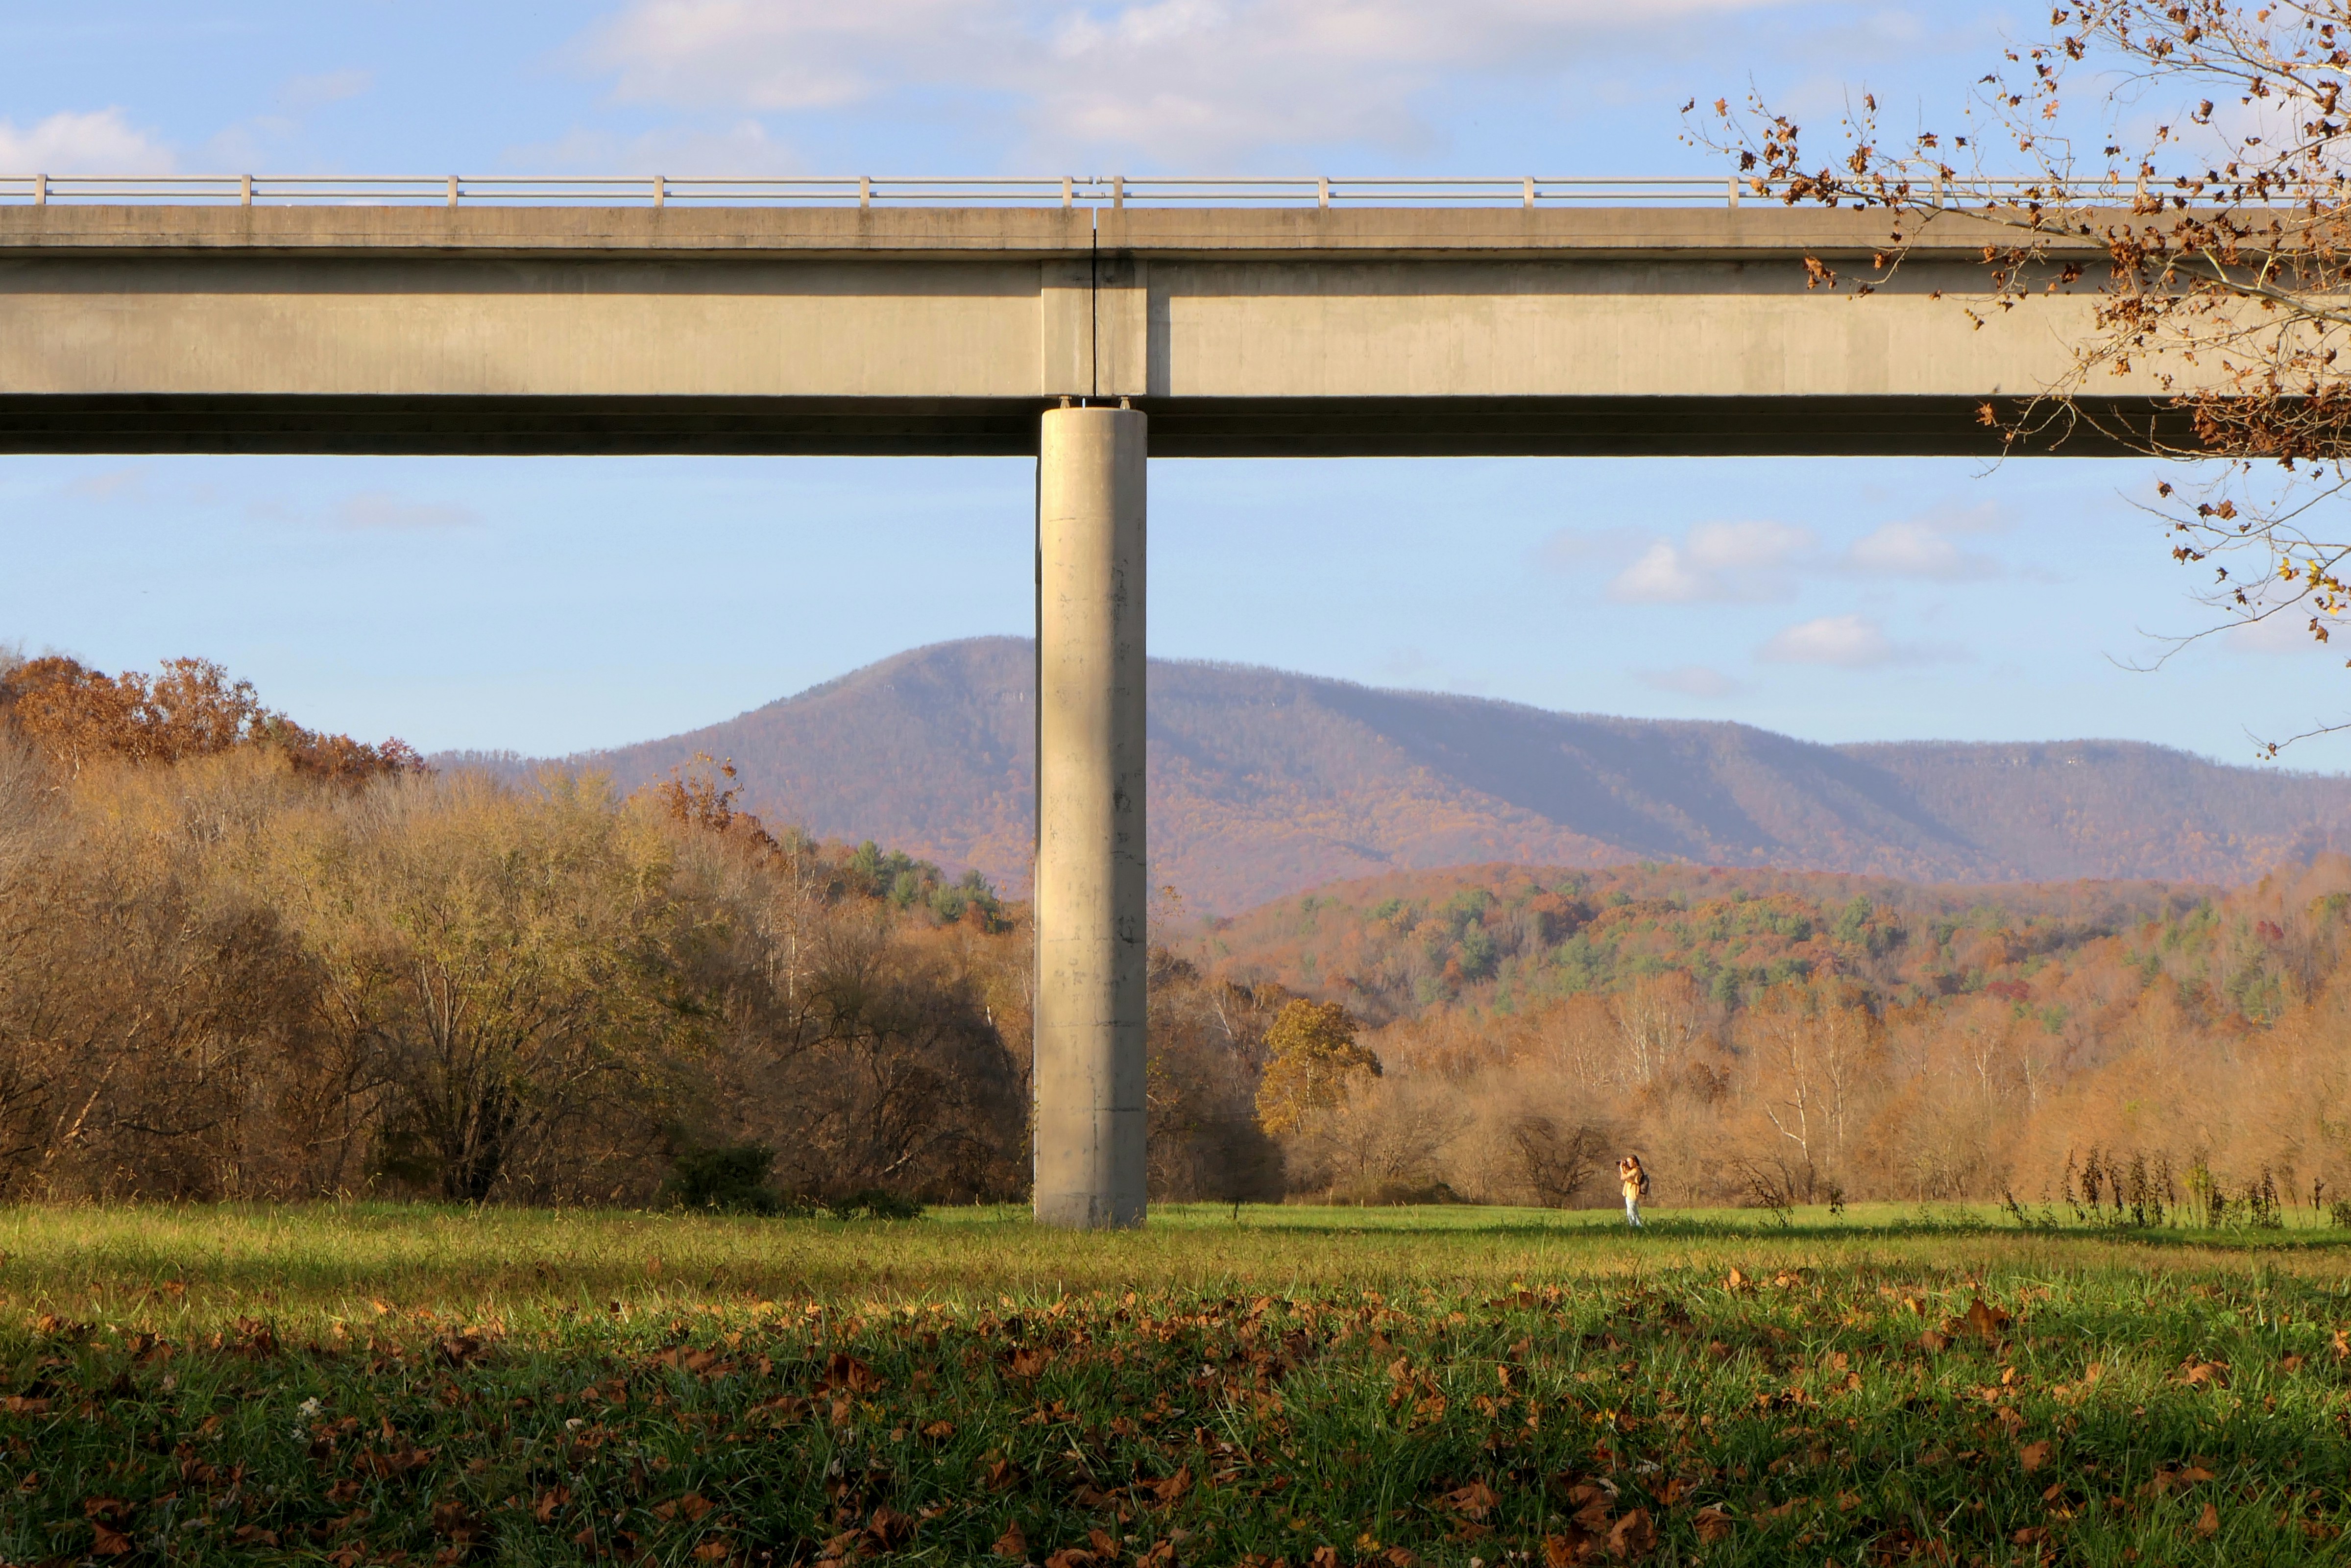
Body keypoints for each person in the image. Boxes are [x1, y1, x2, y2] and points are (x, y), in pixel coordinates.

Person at [1618, 1155, 1650, 1229]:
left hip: (1632, 1192)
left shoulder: (1636, 1170)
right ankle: (1639, 1226)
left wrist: (1621, 1169)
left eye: (1629, 1162)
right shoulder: (1634, 1170)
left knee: (1631, 1211)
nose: (1628, 1163)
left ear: (1635, 1162)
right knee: (1633, 1211)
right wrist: (1624, 1167)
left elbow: (1624, 1177)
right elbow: (1627, 1174)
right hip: (1630, 1193)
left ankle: (1634, 1226)